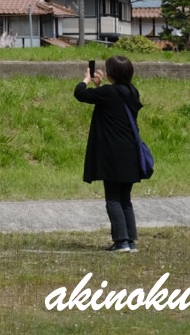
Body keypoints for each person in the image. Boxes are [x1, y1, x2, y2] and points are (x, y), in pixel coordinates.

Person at [75, 55, 143, 252]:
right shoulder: (133, 92)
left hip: (113, 153)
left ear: (111, 74)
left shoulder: (108, 92)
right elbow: (112, 104)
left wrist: (86, 80)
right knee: (125, 199)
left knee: (112, 198)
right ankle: (130, 240)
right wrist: (100, 87)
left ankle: (121, 241)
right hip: (130, 152)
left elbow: (80, 94)